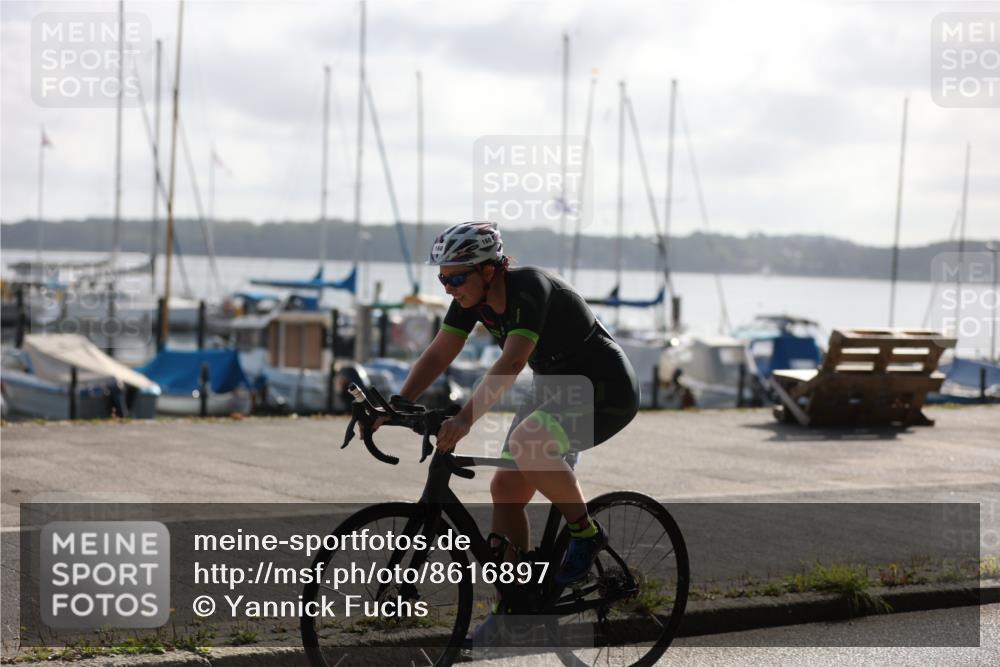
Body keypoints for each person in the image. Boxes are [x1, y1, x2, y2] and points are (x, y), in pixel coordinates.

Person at [374, 221, 640, 643]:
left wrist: (464, 420)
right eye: (443, 278)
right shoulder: (470, 299)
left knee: (527, 445)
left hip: (602, 386)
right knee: (505, 489)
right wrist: (397, 404)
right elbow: (442, 350)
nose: (448, 287)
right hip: (554, 387)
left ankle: (586, 534)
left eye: (456, 277)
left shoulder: (530, 288)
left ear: (489, 270)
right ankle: (518, 609)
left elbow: (513, 363)